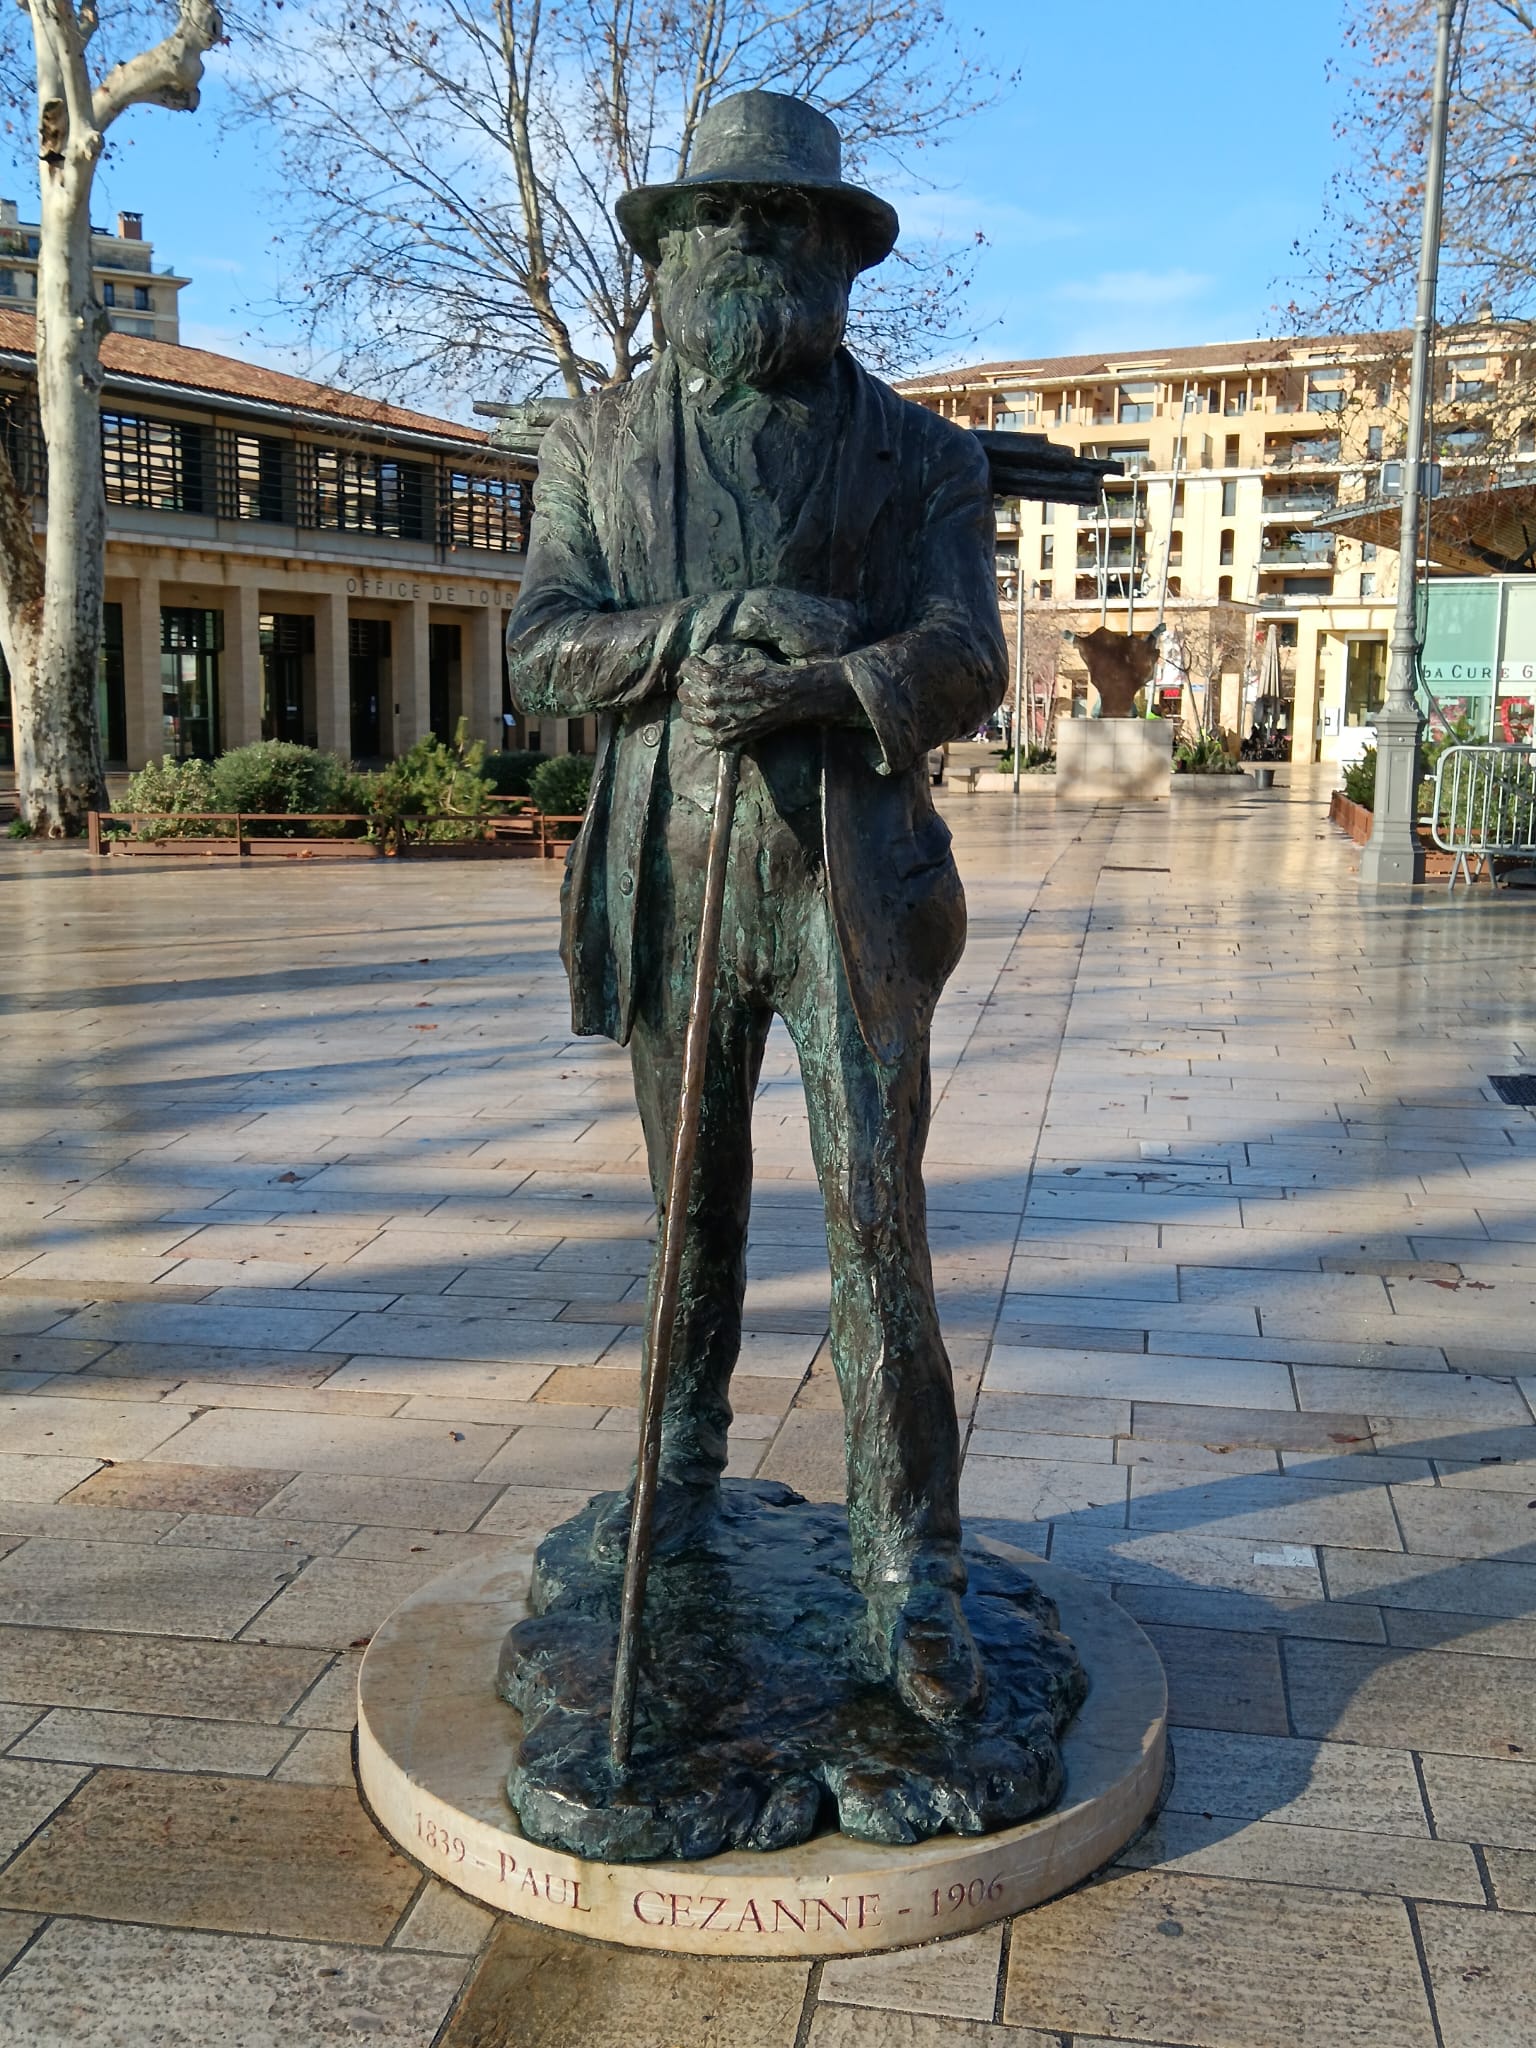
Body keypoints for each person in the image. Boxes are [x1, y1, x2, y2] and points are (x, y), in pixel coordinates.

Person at [506, 89, 1007, 1724]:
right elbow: (542, 649)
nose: (750, 247)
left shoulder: (923, 454)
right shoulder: (589, 446)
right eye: (716, 220)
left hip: (856, 883)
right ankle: (677, 1495)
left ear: (842, 256)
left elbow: (967, 657)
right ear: (661, 252)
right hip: (674, 872)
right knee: (687, 1218)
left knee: (877, 1219)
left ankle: (909, 1572)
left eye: (787, 222)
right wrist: (705, 620)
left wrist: (821, 686)